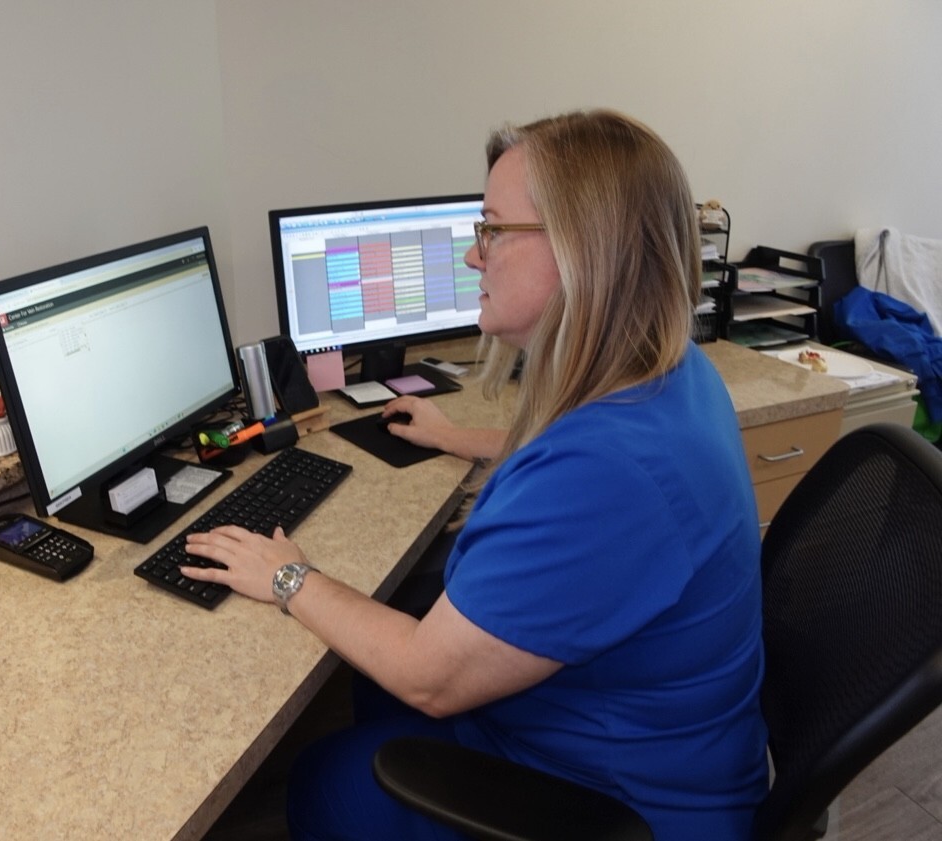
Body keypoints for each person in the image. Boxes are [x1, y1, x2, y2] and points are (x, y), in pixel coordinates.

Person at [182, 109, 769, 840]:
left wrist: (288, 575)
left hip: (622, 806)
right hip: (665, 742)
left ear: (584, 249)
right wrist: (465, 437)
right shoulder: (672, 371)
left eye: (491, 229)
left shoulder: (605, 472)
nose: (472, 257)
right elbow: (593, 465)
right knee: (370, 671)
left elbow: (431, 677)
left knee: (323, 776)